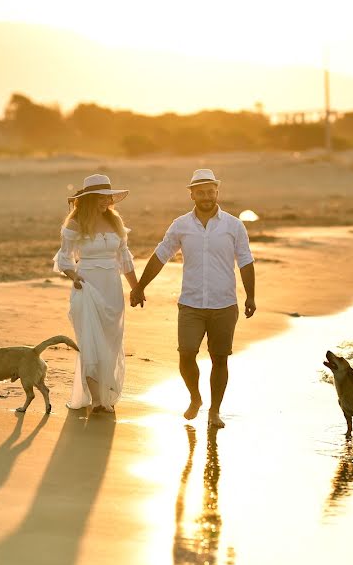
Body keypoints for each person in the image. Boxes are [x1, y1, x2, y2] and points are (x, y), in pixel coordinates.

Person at [130, 168, 255, 429]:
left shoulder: (234, 225)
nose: (207, 196)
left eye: (211, 191)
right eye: (201, 192)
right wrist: (140, 286)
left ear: (217, 192)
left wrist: (250, 296)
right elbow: (161, 255)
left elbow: (245, 261)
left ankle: (215, 411)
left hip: (224, 304)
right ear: (192, 195)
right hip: (191, 304)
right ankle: (195, 398)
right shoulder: (181, 225)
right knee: (186, 354)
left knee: (220, 359)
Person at [54, 174, 139, 413]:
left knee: (110, 343)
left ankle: (106, 393)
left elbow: (125, 258)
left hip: (112, 288)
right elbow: (64, 258)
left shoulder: (115, 222)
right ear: (90, 199)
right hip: (87, 286)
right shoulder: (75, 224)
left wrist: (136, 287)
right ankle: (96, 400)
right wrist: (74, 277)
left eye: (109, 197)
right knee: (90, 341)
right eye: (102, 198)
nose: (107, 202)